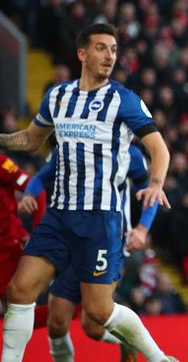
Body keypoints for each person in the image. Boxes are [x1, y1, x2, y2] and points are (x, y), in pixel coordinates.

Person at [0, 23, 175, 362]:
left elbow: (160, 149)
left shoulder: (123, 100)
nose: (109, 55)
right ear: (82, 53)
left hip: (99, 220)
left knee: (98, 313)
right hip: (58, 215)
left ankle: (159, 358)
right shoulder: (59, 96)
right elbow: (31, 140)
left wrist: (155, 184)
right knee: (19, 291)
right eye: (101, 48)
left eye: (113, 49)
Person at [19, 144, 157, 362]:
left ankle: (136, 345)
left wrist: (142, 228)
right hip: (71, 244)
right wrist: (29, 195)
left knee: (93, 324)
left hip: (108, 241)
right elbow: (42, 176)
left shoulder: (129, 153)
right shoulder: (67, 144)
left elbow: (150, 190)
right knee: (56, 322)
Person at [0, 153, 47, 328]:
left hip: (7, 248)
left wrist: (38, 237)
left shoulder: (2, 164)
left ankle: (72, 309)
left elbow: (37, 190)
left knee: (17, 313)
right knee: (17, 317)